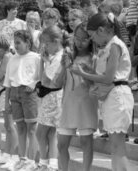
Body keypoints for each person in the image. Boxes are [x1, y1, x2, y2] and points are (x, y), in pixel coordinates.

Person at [71, 12, 134, 171]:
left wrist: (83, 73)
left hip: (118, 97)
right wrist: (89, 71)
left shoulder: (114, 45)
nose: (91, 39)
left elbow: (108, 78)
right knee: (116, 147)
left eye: (92, 35)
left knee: (118, 147)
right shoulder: (109, 46)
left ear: (100, 30)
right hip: (113, 98)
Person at [57, 22, 98, 171]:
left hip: (86, 104)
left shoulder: (93, 58)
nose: (79, 42)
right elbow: (58, 82)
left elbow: (93, 83)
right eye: (77, 38)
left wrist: (80, 70)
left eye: (84, 39)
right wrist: (63, 66)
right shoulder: (69, 56)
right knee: (61, 144)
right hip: (68, 104)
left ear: (91, 40)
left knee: (86, 142)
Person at [4, 30, 40, 171]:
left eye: (18, 42)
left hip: (29, 94)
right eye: (15, 42)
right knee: (20, 128)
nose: (16, 45)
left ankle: (31, 161)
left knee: (32, 129)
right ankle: (22, 159)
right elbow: (7, 83)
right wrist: (6, 102)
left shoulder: (36, 57)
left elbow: (40, 77)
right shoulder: (12, 59)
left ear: (28, 43)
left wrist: (33, 84)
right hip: (14, 93)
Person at [35, 25, 64, 171]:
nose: (45, 46)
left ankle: (44, 162)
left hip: (53, 97)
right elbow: (41, 78)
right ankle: (50, 163)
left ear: (56, 41)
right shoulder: (54, 57)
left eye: (47, 43)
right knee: (50, 133)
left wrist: (44, 61)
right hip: (51, 97)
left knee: (40, 132)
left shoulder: (59, 58)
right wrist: (43, 59)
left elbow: (45, 80)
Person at [0, 35, 19, 169]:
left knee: (10, 126)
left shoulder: (6, 57)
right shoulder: (7, 57)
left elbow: (0, 76)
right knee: (7, 126)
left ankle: (14, 155)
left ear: (2, 48)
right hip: (4, 93)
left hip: (8, 94)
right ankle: (7, 154)